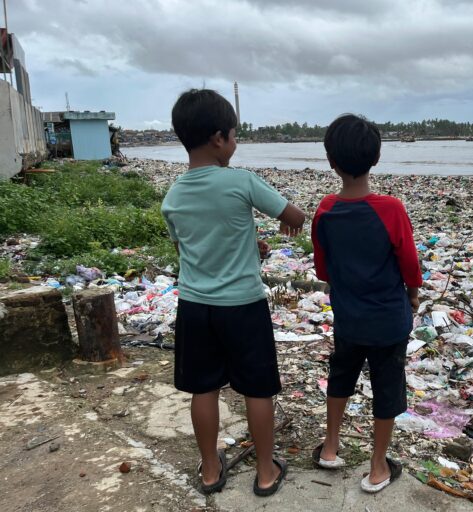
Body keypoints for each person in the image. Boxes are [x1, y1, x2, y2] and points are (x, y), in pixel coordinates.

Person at [161, 89, 305, 497]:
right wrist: (282, 226)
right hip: (242, 305)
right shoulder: (241, 181)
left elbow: (188, 249)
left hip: (195, 306)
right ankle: (265, 472)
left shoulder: (173, 196)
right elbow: (294, 215)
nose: (236, 143)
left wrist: (246, 245)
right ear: (218, 138)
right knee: (258, 389)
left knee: (202, 389)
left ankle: (209, 470)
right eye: (235, 135)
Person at [310, 114, 422, 493]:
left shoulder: (326, 209)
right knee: (387, 387)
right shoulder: (391, 208)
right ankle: (377, 468)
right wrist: (413, 293)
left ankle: (329, 447)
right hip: (388, 320)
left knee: (341, 375)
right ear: (376, 158)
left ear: (331, 160)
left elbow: (323, 268)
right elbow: (409, 263)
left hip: (349, 319)